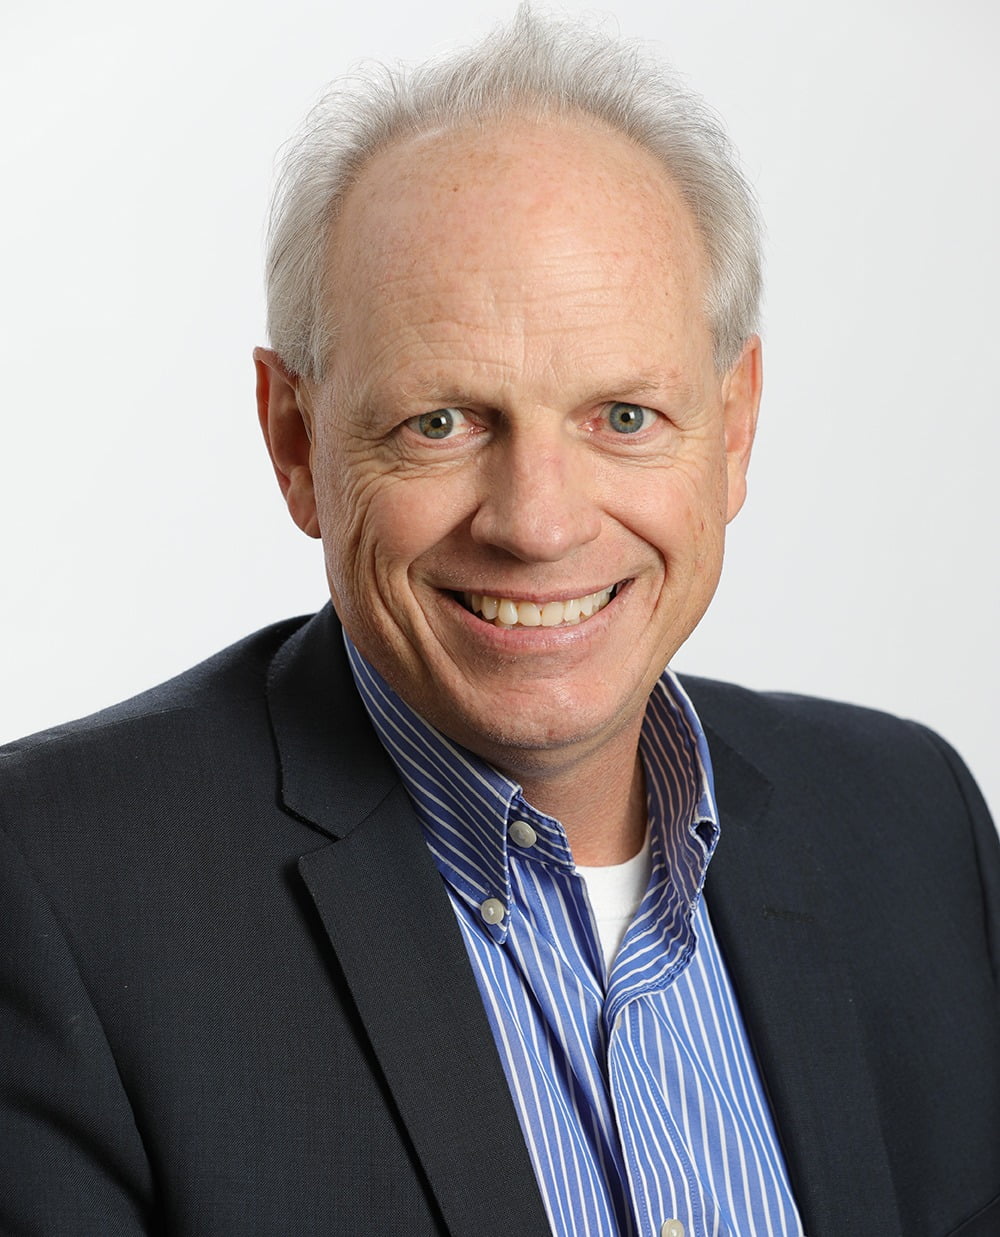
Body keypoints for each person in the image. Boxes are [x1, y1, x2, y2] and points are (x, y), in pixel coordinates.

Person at [1, 8, 997, 1236]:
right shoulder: (55, 889)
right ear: (295, 439)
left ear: (732, 428)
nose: (536, 524)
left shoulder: (912, 830)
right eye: (441, 422)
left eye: (623, 416)